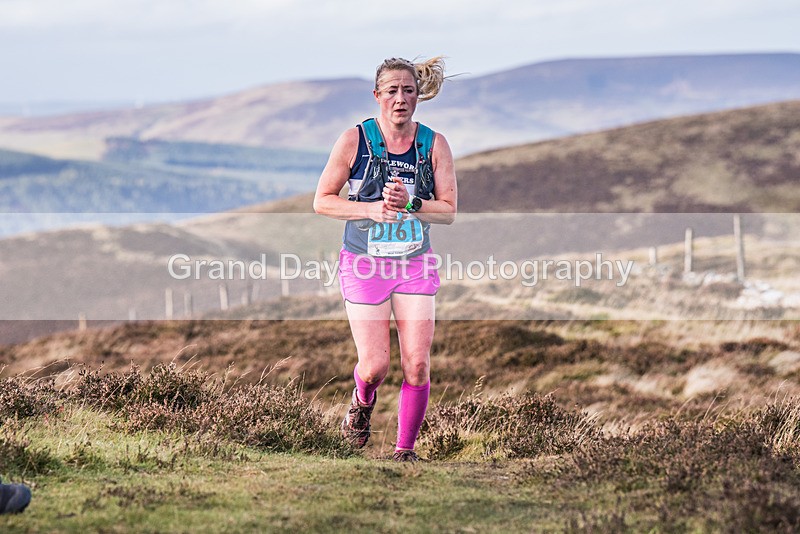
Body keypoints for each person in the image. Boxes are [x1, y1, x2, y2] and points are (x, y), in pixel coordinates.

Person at [313, 56, 457, 462]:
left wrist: (411, 203)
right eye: (391, 91)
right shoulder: (354, 140)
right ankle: (362, 401)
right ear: (377, 96)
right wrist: (370, 210)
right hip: (364, 264)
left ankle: (404, 452)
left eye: (408, 90)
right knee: (375, 366)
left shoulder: (434, 144)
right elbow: (322, 202)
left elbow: (448, 212)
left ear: (418, 96)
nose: (400, 99)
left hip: (414, 264)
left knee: (418, 364)